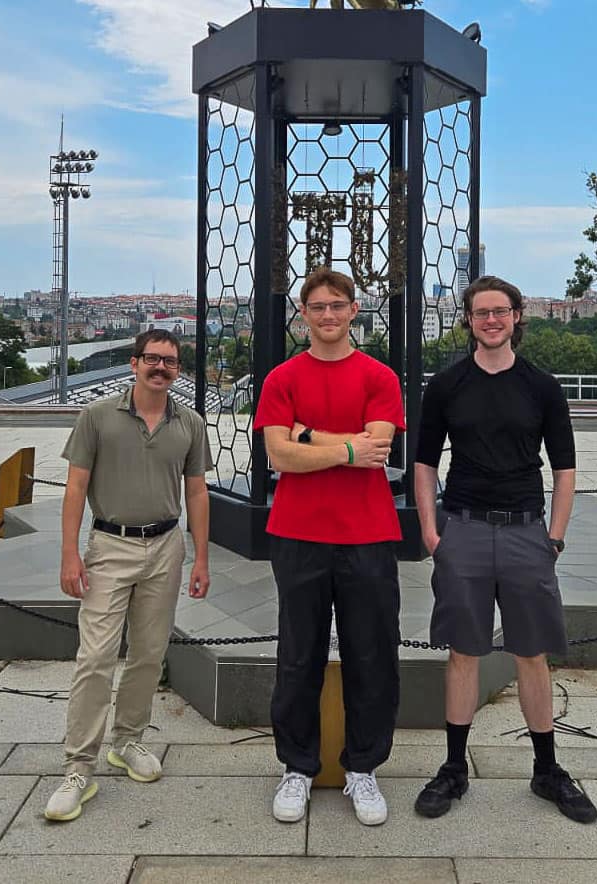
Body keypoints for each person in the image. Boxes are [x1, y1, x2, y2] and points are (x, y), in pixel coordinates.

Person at [412, 275, 597, 825]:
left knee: (532, 653)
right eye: (480, 312)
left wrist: (555, 537)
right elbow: (424, 463)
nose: (491, 320)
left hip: (525, 530)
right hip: (463, 527)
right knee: (463, 652)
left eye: (501, 311)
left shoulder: (542, 387)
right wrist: (431, 530)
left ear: (518, 316)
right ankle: (453, 769)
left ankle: (546, 770)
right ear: (467, 320)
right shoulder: (446, 385)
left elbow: (564, 468)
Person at [253, 266, 405, 826]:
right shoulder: (281, 378)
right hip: (297, 533)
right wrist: (343, 449)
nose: (328, 315)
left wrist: (310, 436)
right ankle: (298, 765)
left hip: (368, 533)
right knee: (298, 655)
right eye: (317, 307)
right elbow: (279, 457)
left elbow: (380, 447)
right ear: (304, 314)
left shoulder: (379, 376)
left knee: (373, 654)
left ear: (353, 311)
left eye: (337, 306)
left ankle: (363, 768)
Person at [44, 329, 213, 822]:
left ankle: (129, 739)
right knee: (95, 655)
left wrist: (201, 557)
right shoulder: (98, 417)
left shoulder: (190, 423)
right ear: (134, 364)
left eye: (171, 362)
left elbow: (197, 492)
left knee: (148, 653)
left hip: (165, 546)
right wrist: (69, 555)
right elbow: (75, 487)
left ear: (179, 370)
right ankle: (78, 765)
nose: (161, 368)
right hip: (110, 544)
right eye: (152, 360)